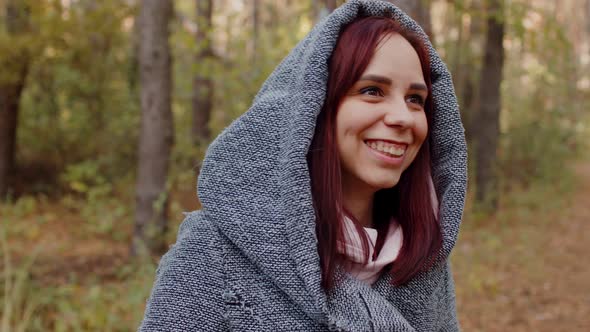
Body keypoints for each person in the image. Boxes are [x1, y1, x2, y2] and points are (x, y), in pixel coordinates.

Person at [139, 0, 467, 331]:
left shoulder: (422, 261)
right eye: (372, 91)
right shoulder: (214, 254)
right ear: (314, 108)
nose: (402, 117)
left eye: (415, 99)